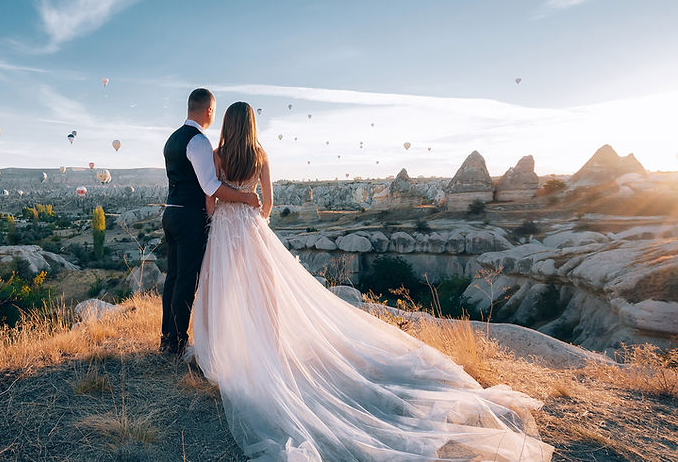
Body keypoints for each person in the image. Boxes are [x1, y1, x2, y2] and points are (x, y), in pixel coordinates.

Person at [190, 101, 554, 461]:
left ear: (226, 124)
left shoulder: (219, 156)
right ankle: (271, 355)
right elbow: (267, 206)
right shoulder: (260, 155)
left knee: (225, 295)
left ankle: (225, 360)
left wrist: (225, 218)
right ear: (253, 125)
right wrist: (250, 214)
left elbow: (210, 202)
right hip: (253, 233)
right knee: (265, 297)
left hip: (224, 234)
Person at [160, 88, 260, 356]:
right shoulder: (200, 141)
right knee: (186, 280)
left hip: (170, 213)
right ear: (209, 111)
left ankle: (167, 337)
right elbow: (211, 186)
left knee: (172, 278)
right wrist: (246, 198)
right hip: (190, 217)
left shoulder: (172, 139)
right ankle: (179, 342)